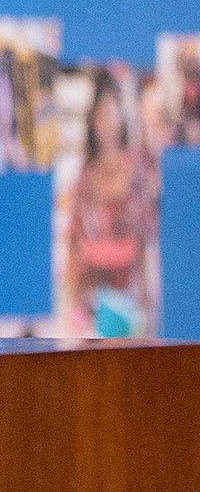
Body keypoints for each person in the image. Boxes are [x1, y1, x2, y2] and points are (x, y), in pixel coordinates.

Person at [62, 69, 160, 338]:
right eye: (100, 112)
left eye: (111, 110)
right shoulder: (86, 174)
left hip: (131, 305)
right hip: (91, 307)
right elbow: (73, 239)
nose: (106, 120)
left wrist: (148, 305)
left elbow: (145, 236)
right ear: (92, 119)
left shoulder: (137, 167)